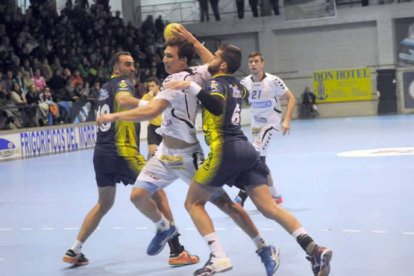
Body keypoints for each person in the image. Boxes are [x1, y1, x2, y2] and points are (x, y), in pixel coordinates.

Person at [97, 28, 279, 275]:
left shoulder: (185, 78)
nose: (164, 60)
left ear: (183, 60)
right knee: (138, 195)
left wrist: (115, 115)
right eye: (164, 55)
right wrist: (193, 42)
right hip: (164, 152)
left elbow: (152, 111)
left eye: (170, 56)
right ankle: (164, 228)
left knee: (224, 204)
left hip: (186, 156)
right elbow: (213, 62)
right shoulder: (193, 74)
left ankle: (263, 248)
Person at [165, 44, 332, 276]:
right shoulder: (237, 85)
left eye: (215, 56)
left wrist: (190, 85)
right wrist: (192, 42)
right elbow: (219, 67)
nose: (210, 58)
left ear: (222, 64)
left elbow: (214, 106)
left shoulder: (214, 83)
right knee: (269, 207)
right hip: (246, 150)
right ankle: (314, 248)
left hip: (225, 151)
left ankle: (218, 257)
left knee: (192, 203)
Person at [62, 51, 152, 266]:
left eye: (133, 64)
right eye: (127, 64)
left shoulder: (104, 88)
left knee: (104, 204)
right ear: (116, 69)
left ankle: (74, 249)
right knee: (155, 190)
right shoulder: (122, 84)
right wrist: (148, 105)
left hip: (100, 154)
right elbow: (123, 100)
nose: (132, 69)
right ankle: (177, 250)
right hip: (120, 152)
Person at [233, 51, 296, 207]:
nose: (253, 64)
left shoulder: (274, 81)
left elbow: (291, 98)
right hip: (255, 125)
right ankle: (275, 194)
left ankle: (241, 196)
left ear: (262, 63)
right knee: (260, 161)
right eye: (250, 62)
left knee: (253, 155)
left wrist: (287, 120)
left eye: (256, 61)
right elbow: (236, 101)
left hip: (271, 123)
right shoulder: (245, 82)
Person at [141, 77, 163, 160]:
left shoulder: (163, 95)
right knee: (151, 152)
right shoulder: (146, 96)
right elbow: (141, 108)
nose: (150, 88)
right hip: (152, 127)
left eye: (153, 86)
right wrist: (148, 98)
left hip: (164, 128)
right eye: (149, 86)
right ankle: (148, 170)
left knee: (166, 153)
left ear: (158, 86)